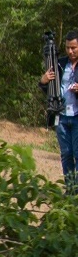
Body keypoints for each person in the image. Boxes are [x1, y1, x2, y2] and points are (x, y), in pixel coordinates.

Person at [41, 31, 78, 191]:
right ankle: (70, 190)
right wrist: (43, 81)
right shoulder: (60, 63)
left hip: (77, 117)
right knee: (66, 155)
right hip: (61, 116)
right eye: (68, 48)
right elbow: (49, 89)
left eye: (74, 48)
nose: (70, 51)